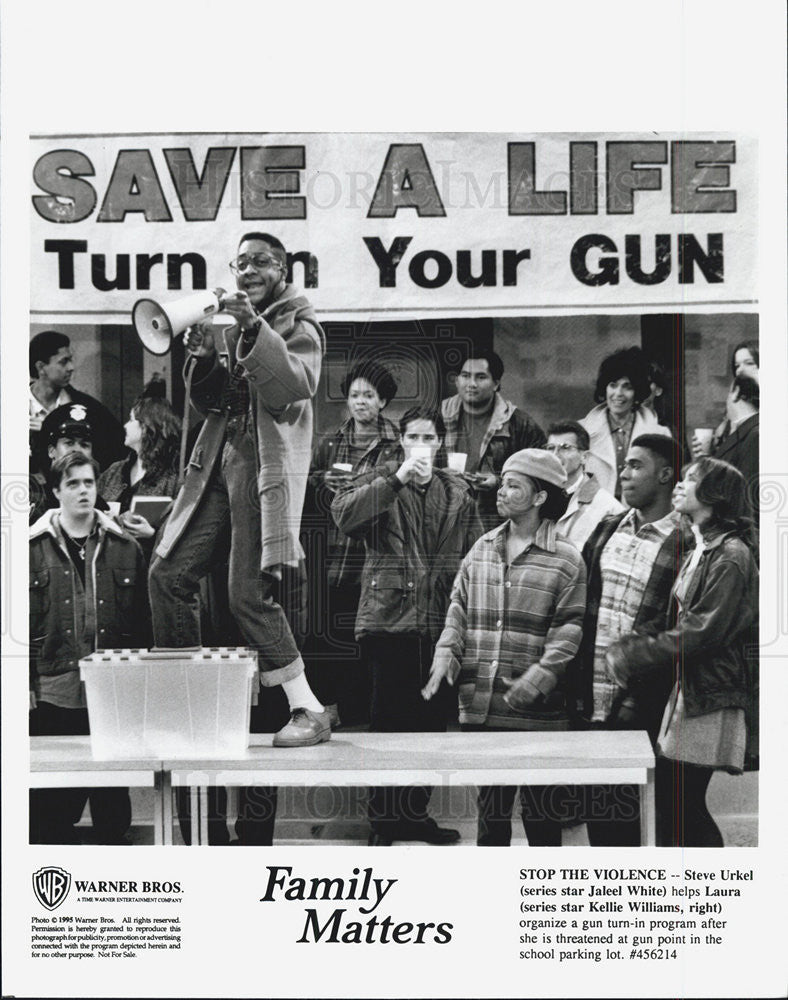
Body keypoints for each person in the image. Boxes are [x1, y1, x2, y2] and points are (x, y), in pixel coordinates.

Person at [149, 231, 330, 757]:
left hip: (260, 467)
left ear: (283, 268)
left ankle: (309, 707)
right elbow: (212, 403)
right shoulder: (230, 322)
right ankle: (191, 702)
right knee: (168, 573)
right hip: (218, 462)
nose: (248, 269)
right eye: (241, 262)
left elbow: (293, 386)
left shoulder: (299, 321)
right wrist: (204, 359)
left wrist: (252, 328)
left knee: (247, 595)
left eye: (260, 262)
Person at [332, 406, 483, 845]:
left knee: (432, 723)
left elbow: (474, 554)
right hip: (388, 619)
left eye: (429, 438)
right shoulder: (379, 479)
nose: (421, 446)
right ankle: (383, 820)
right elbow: (344, 516)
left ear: (440, 444)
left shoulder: (457, 491)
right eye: (413, 437)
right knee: (387, 724)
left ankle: (415, 814)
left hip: (439, 621)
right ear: (402, 442)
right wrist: (395, 478)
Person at [423, 449, 586, 846]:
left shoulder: (566, 560)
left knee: (542, 818)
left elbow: (570, 628)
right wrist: (446, 654)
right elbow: (457, 608)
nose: (501, 490)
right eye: (503, 481)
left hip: (538, 713)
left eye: (514, 485)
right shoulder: (482, 547)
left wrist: (542, 675)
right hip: (482, 706)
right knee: (490, 818)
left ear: (540, 497)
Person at [606, 458, 758, 847]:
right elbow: (677, 616)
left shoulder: (731, 555)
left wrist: (634, 654)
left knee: (683, 806)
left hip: (709, 694)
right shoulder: (701, 546)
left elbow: (703, 631)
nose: (679, 484)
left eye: (691, 479)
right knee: (676, 805)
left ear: (714, 495)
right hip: (689, 691)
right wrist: (636, 643)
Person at [568, 434, 690, 846]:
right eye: (624, 465)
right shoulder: (607, 528)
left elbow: (680, 625)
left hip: (654, 696)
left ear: (667, 475)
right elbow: (581, 603)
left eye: (636, 465)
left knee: (668, 816)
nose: (625, 473)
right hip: (595, 693)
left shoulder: (688, 540)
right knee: (605, 813)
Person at [29, 454, 149, 844]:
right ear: (56, 491)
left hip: (111, 693)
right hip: (53, 692)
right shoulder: (30, 548)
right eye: (74, 483)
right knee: (49, 813)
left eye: (89, 483)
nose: (84, 490)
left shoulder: (124, 546)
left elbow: (142, 628)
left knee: (112, 811)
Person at [302, 359, 400, 726]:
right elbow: (308, 482)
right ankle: (330, 707)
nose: (361, 402)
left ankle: (360, 710)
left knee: (367, 638)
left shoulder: (396, 444)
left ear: (383, 402)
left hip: (373, 554)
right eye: (355, 395)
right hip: (331, 552)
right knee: (329, 634)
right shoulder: (331, 440)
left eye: (369, 396)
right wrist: (320, 481)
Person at [441, 347, 546, 528]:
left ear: (496, 384)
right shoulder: (438, 418)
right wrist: (441, 476)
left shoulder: (519, 424)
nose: (471, 384)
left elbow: (540, 475)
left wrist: (498, 481)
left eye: (481, 377)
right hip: (445, 517)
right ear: (457, 380)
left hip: (496, 521)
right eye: (465, 376)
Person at [98, 378, 181, 558]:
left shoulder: (174, 478)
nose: (125, 426)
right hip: (110, 563)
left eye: (131, 420)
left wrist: (152, 535)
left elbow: (183, 535)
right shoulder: (114, 471)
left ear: (147, 428)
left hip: (147, 568)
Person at [580, 346, 670, 499]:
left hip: (640, 516)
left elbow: (665, 489)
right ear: (604, 388)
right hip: (594, 517)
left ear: (638, 392)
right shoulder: (581, 432)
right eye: (613, 385)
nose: (618, 394)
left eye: (627, 387)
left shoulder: (660, 434)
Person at [29, 330, 125, 474]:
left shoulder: (89, 407)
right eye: (63, 362)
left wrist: (49, 429)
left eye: (70, 360)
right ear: (41, 367)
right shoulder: (8, 405)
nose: (71, 367)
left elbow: (116, 448)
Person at [545, 420, 623, 550]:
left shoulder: (609, 509)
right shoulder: (537, 498)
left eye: (565, 448)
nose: (555, 455)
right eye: (550, 448)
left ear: (584, 457)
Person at [29, 403, 112, 523]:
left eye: (84, 445)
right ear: (51, 451)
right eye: (69, 443)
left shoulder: (97, 504)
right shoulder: (33, 492)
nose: (77, 450)